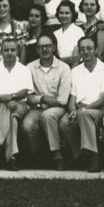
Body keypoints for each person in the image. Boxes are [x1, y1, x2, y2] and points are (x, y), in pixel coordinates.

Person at [62, 36, 104, 172]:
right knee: (64, 122)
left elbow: (101, 100)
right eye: (82, 49)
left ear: (96, 50)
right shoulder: (75, 71)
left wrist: (83, 110)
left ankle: (94, 157)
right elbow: (72, 99)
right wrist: (72, 111)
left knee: (85, 115)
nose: (86, 52)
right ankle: (80, 155)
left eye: (89, 48)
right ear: (79, 52)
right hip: (81, 109)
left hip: (100, 111)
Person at [21, 32, 72, 170]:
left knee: (48, 115)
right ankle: (38, 156)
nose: (45, 50)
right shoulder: (29, 68)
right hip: (36, 108)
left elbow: (62, 100)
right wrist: (43, 98)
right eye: (41, 47)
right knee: (27, 125)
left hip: (58, 109)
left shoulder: (64, 68)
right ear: (36, 49)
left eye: (48, 46)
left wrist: (39, 99)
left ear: (54, 47)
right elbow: (26, 96)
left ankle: (57, 156)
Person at [0, 37, 32, 170]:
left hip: (20, 104)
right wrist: (3, 99)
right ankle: (11, 158)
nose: (10, 53)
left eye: (13, 50)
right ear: (1, 52)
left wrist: (11, 97)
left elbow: (24, 92)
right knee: (11, 116)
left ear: (17, 51)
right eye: (6, 50)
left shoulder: (24, 70)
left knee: (10, 110)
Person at [52, 0, 83, 66]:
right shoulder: (55, 33)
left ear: (72, 15)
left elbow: (76, 58)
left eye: (67, 13)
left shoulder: (78, 31)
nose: (64, 16)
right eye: (61, 13)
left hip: (74, 67)